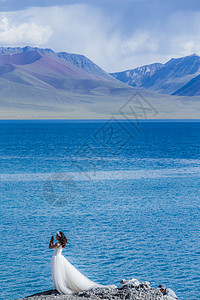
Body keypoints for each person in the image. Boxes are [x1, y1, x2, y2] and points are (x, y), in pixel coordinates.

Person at [49, 231, 116, 294]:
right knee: (59, 273)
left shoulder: (58, 244)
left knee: (57, 273)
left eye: (56, 235)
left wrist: (51, 241)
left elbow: (50, 247)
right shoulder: (60, 244)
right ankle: (59, 286)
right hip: (59, 258)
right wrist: (52, 242)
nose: (56, 236)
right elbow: (55, 247)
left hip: (57, 258)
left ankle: (59, 287)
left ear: (59, 237)